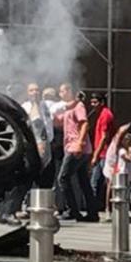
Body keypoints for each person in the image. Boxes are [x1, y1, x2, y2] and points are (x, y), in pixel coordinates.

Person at [54, 84, 96, 221]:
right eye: (60, 91)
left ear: (70, 91)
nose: (61, 93)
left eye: (64, 90)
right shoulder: (68, 109)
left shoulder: (78, 106)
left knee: (63, 178)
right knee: (83, 180)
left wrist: (79, 142)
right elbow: (59, 122)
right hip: (75, 147)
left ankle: (73, 210)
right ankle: (92, 212)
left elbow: (84, 123)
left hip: (76, 147)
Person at [88, 91, 115, 219]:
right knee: (97, 182)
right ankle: (96, 208)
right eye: (92, 102)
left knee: (98, 182)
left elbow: (104, 137)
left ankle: (97, 210)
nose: (93, 105)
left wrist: (95, 155)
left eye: (95, 102)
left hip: (104, 154)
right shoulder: (102, 114)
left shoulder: (105, 115)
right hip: (102, 153)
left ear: (102, 102)